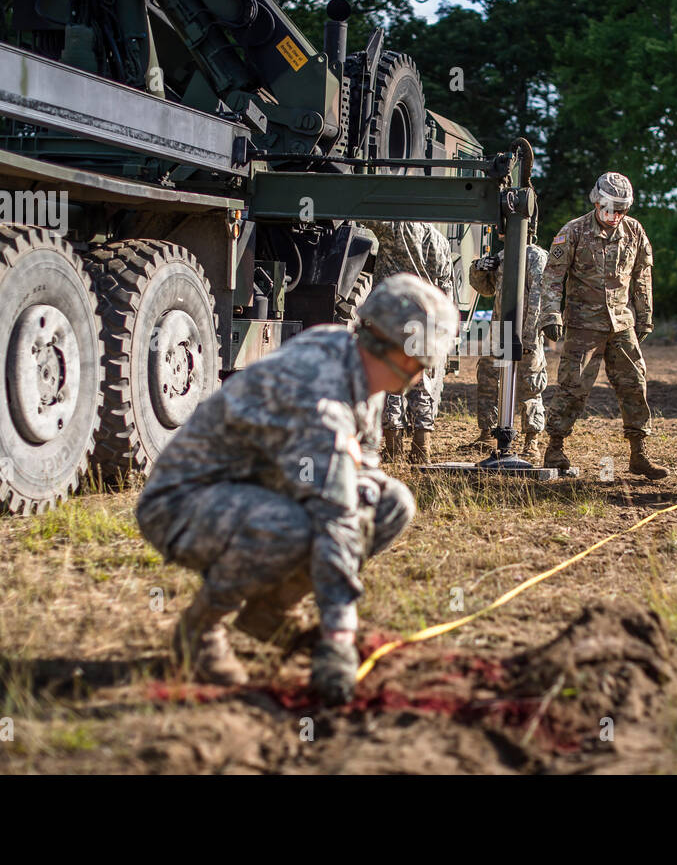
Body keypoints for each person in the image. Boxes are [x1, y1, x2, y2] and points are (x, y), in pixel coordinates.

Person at [135, 274, 459, 704]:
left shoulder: (359, 365)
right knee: (289, 526)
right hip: (184, 503)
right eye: (418, 366)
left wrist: (357, 494)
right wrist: (340, 638)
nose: (418, 379)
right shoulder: (320, 396)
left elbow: (361, 471)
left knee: (391, 502)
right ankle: (201, 629)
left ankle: (269, 612)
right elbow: (335, 517)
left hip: (266, 484)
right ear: (388, 348)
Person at [538, 171, 668, 479]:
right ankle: (555, 448)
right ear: (596, 202)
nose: (614, 216)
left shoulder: (634, 231)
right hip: (584, 324)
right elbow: (553, 277)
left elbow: (642, 276)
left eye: (621, 210)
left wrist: (645, 315)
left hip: (621, 323)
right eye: (609, 208)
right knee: (572, 386)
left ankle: (639, 454)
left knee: (634, 384)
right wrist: (550, 315)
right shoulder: (574, 231)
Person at [363, 220, 455, 464]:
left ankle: (393, 449)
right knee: (423, 383)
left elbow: (362, 214)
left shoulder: (395, 226)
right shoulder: (441, 240)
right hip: (426, 318)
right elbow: (446, 284)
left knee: (392, 382)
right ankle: (421, 449)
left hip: (393, 315)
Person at [461, 231, 549, 460]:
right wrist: (478, 269)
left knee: (529, 385)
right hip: (500, 329)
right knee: (489, 379)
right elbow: (486, 290)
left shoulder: (536, 256)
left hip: (525, 329)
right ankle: (487, 434)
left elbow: (539, 298)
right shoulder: (502, 255)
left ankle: (532, 440)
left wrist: (529, 336)